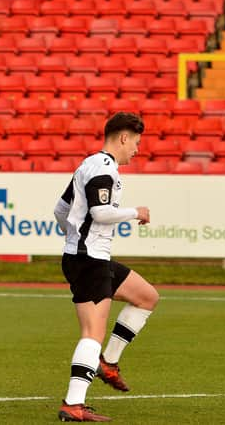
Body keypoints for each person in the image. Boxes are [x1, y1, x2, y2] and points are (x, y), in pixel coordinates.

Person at [54, 112, 159, 422]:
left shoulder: (88, 164)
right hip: (89, 261)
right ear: (123, 137)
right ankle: (73, 404)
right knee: (92, 333)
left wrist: (74, 235)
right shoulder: (105, 170)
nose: (137, 150)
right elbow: (100, 212)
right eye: (136, 143)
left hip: (92, 257)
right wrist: (134, 212)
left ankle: (109, 363)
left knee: (147, 297)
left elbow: (60, 210)